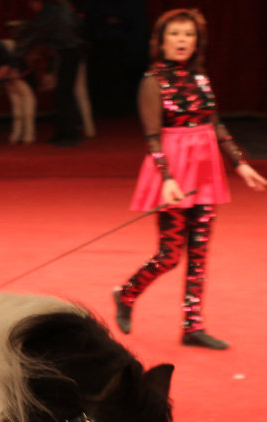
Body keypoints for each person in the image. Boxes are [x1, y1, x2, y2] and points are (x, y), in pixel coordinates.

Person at [112, 8, 266, 350]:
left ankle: (192, 325)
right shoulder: (153, 81)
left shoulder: (200, 78)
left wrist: (240, 164)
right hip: (174, 169)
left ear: (197, 42)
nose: (182, 40)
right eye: (175, 34)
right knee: (169, 255)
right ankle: (126, 293)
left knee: (199, 251)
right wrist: (166, 177)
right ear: (161, 41)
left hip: (205, 169)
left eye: (188, 34)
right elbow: (152, 137)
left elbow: (216, 124)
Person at [18, 0, 84, 146]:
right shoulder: (60, 9)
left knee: (63, 94)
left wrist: (18, 53)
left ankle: (69, 134)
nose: (31, 7)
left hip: (67, 52)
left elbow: (37, 36)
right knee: (64, 94)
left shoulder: (48, 14)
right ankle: (64, 133)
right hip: (72, 51)